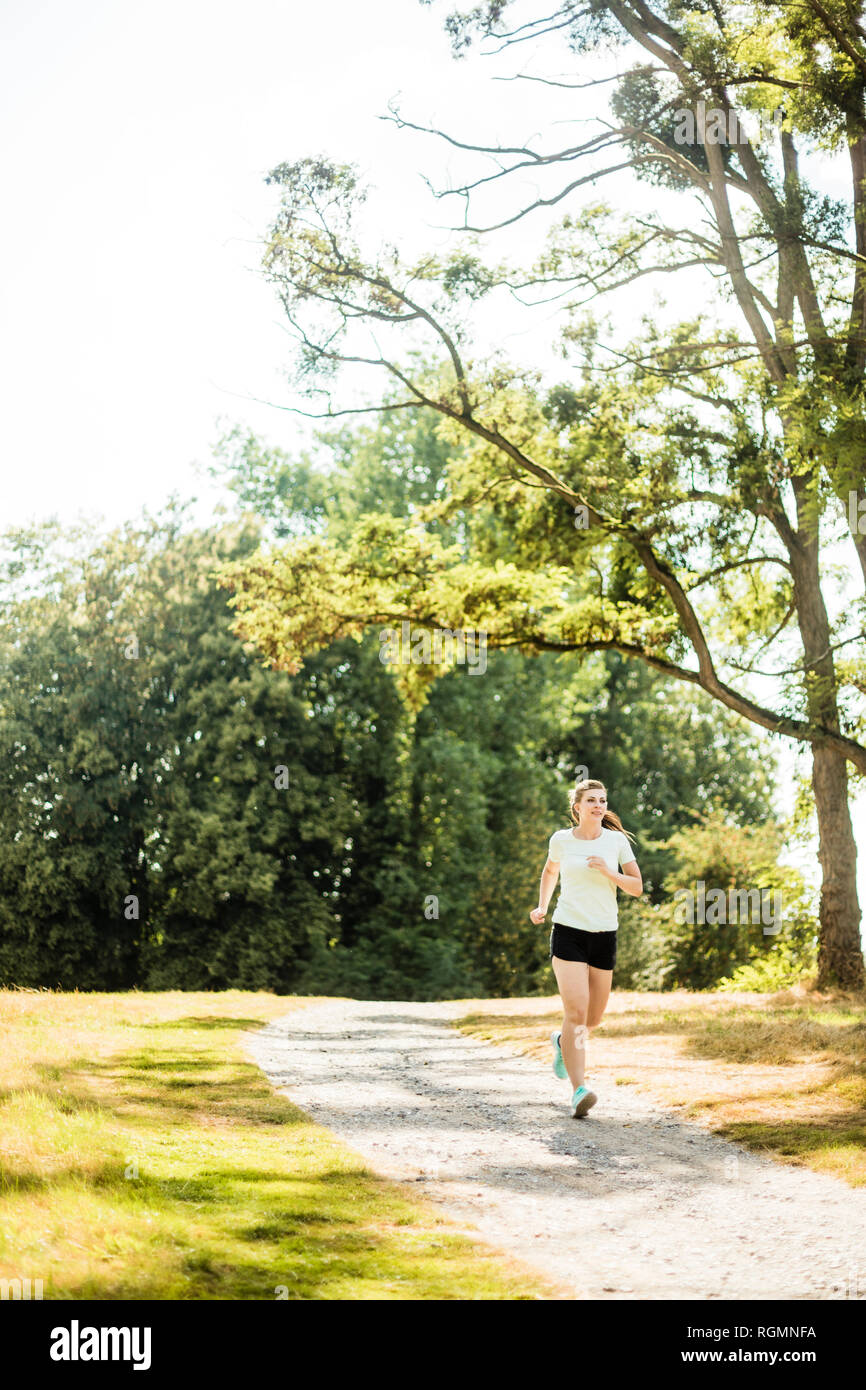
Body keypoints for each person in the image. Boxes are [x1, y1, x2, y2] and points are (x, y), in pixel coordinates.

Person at [530, 779, 642, 1117]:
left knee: (593, 1018)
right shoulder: (561, 840)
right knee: (576, 1012)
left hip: (604, 934)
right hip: (569, 931)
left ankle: (564, 1043)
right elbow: (550, 871)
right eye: (591, 800)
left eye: (603, 800)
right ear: (577, 807)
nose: (598, 805)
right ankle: (579, 1090)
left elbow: (636, 886)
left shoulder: (617, 842)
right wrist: (542, 906)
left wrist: (608, 872)